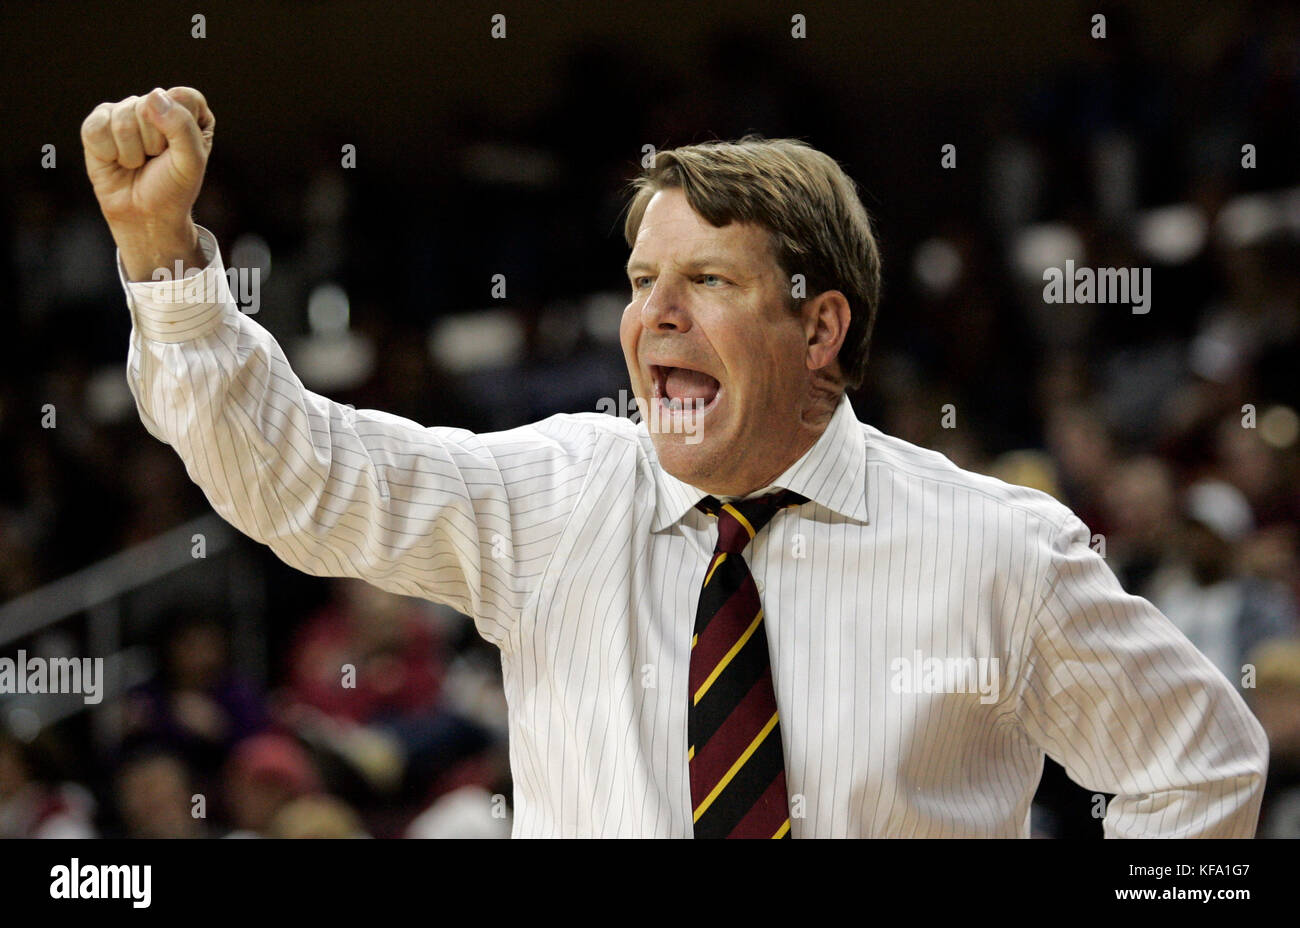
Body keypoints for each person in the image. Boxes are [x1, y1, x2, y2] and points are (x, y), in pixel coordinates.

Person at [81, 86, 1268, 838]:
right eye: (643, 281)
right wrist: (166, 260)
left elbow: (1199, 767)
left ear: (818, 327)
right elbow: (299, 473)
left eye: (707, 281)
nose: (654, 316)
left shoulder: (1001, 548)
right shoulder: (551, 495)